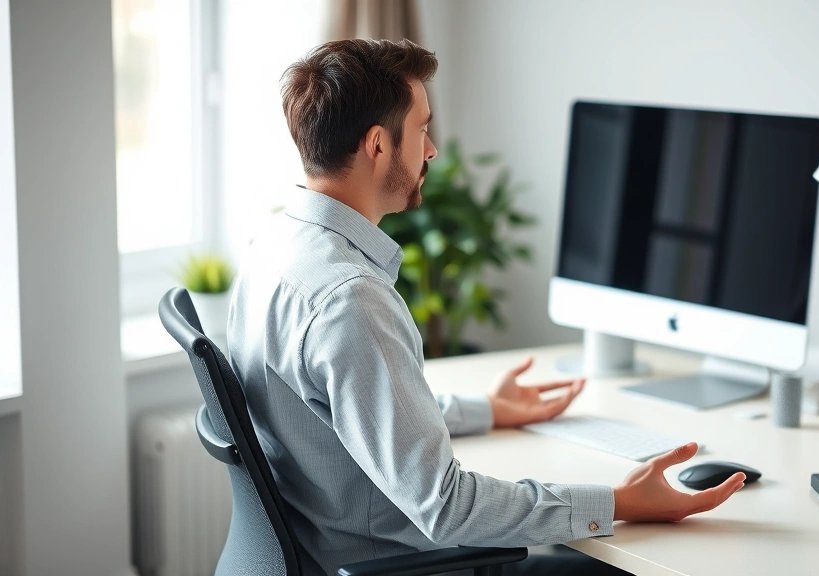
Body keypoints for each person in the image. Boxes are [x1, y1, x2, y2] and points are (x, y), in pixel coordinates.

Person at [227, 38, 746, 576]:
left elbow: (342, 413)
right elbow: (445, 507)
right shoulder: (350, 300)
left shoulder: (274, 250)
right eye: (423, 128)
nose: (430, 150)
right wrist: (620, 503)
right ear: (379, 144)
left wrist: (487, 410)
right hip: (402, 564)